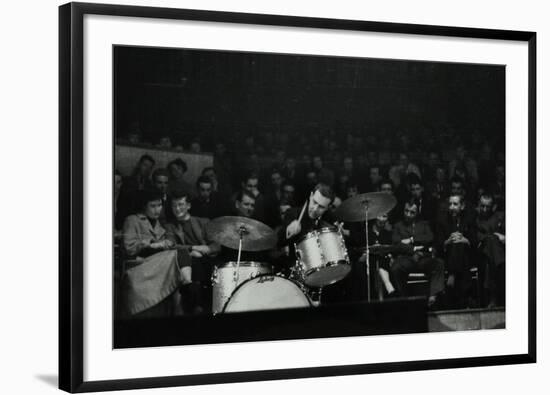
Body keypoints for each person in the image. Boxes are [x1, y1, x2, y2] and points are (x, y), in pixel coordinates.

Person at [121, 189, 192, 318]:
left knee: (183, 253)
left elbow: (168, 243)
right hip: (139, 265)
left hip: (156, 266)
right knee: (181, 254)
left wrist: (166, 244)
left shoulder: (160, 224)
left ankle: (187, 284)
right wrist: (151, 243)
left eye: (159, 205)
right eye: (152, 206)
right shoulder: (132, 220)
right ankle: (187, 284)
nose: (157, 209)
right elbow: (129, 248)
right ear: (144, 206)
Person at [165, 190, 220, 314]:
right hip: (186, 263)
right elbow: (171, 245)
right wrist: (192, 249)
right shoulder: (170, 226)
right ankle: (197, 306)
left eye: (181, 204)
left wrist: (204, 249)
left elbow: (216, 245)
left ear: (188, 206)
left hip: (206, 261)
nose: (177, 209)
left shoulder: (203, 222)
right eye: (174, 205)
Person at [389, 201, 445, 308]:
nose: (408, 214)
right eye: (406, 211)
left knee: (439, 263)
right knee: (395, 268)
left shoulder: (424, 224)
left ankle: (433, 296)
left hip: (422, 258)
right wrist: (414, 247)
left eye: (412, 212)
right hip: (407, 259)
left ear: (417, 213)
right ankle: (403, 300)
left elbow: (429, 238)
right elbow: (396, 245)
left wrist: (411, 239)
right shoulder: (398, 226)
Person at [436, 194, 476, 308]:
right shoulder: (442, 220)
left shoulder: (469, 219)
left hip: (467, 255)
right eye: (450, 204)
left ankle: (452, 275)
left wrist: (465, 240)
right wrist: (448, 241)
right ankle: (466, 297)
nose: (452, 207)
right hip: (447, 256)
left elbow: (474, 241)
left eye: (455, 204)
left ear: (462, 206)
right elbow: (438, 245)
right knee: (455, 243)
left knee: (460, 244)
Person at [475, 194, 505, 307]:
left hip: (498, 253)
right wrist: (495, 236)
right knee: (491, 240)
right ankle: (500, 265)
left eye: (488, 206)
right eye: (482, 206)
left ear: (494, 206)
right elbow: (478, 238)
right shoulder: (476, 219)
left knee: (490, 262)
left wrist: (505, 238)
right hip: (481, 252)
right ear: (478, 205)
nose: (484, 209)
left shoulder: (501, 217)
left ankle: (493, 299)